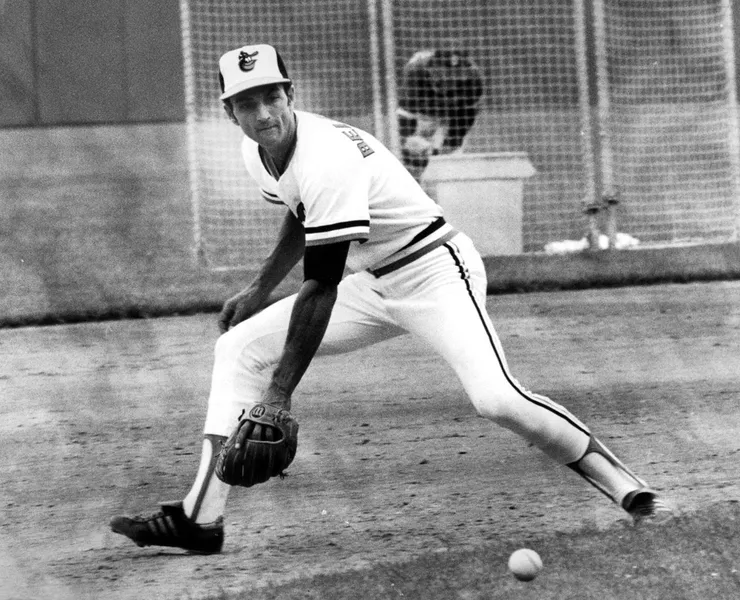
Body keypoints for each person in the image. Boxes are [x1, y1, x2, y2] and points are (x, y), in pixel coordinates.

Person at [109, 43, 672, 555]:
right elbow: (302, 211)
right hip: (373, 281)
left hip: (435, 274)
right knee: (238, 349)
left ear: (291, 95)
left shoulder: (326, 155)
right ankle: (199, 520)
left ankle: (630, 490)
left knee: (497, 400)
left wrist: (279, 393)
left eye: (272, 97)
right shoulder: (259, 152)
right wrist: (259, 287)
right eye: (247, 103)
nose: (263, 114)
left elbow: (321, 285)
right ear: (229, 111)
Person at [397, 49, 484, 181]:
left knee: (450, 164)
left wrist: (443, 150)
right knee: (414, 157)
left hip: (453, 112)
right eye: (444, 75)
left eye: (454, 76)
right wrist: (413, 143)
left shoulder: (472, 81)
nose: (449, 79)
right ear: (431, 70)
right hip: (424, 113)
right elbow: (406, 120)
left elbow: (464, 121)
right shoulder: (415, 72)